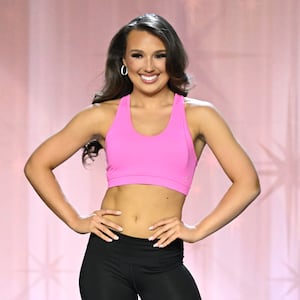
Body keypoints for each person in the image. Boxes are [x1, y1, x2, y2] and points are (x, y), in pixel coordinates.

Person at [24, 13, 260, 300]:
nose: (148, 66)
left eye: (159, 56)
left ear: (172, 60)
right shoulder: (102, 115)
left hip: (163, 258)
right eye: (138, 55)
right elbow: (37, 165)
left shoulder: (200, 116)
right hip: (106, 258)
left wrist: (198, 230)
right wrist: (75, 221)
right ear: (124, 62)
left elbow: (248, 183)